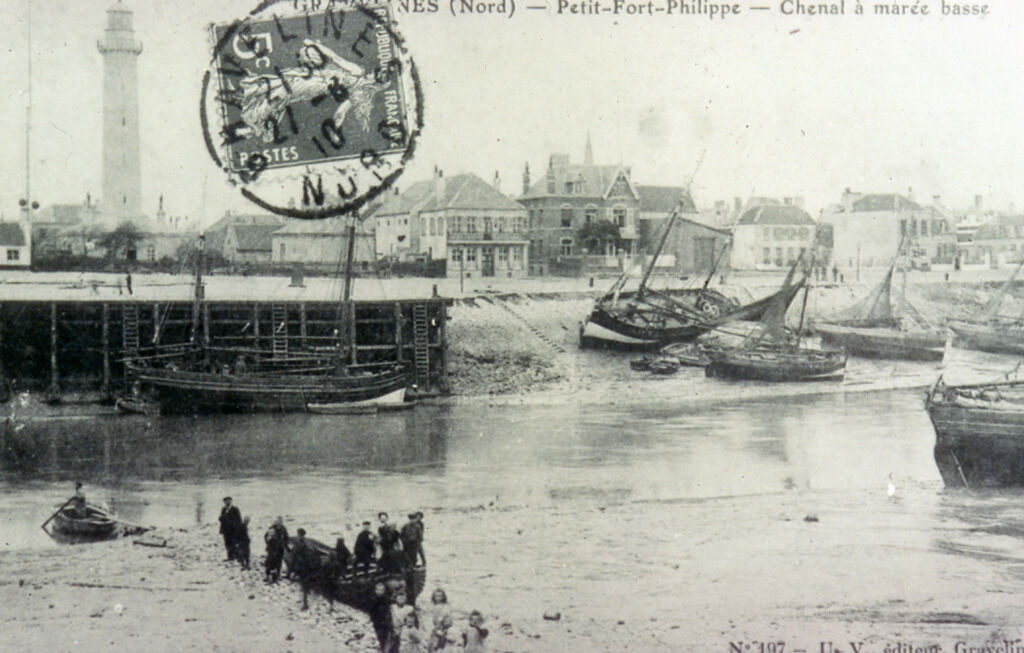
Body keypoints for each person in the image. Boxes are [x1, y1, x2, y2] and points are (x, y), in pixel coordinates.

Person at [292, 528, 319, 610]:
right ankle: (307, 601)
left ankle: (305, 604)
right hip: (308, 566)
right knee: (306, 584)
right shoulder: (308, 543)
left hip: (303, 566)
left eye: (298, 534)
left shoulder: (300, 543)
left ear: (300, 535)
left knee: (304, 585)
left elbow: (295, 555)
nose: (297, 536)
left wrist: (292, 569)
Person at [367, 582, 392, 651]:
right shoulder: (373, 600)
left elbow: (388, 610)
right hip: (377, 622)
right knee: (379, 637)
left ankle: (383, 649)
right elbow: (371, 611)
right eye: (378, 590)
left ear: (384, 591)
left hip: (385, 622)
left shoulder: (386, 600)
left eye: (382, 590)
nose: (380, 592)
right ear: (375, 590)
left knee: (385, 638)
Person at [264, 517, 289, 583]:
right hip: (272, 548)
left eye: (280, 522)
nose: (279, 524)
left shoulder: (283, 529)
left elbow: (286, 538)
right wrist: (268, 543)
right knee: (270, 562)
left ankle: (277, 575)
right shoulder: (272, 529)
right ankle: (267, 575)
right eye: (278, 523)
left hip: (280, 548)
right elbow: (266, 537)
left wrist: (286, 546)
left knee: (278, 562)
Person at [218, 497, 243, 562]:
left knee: (233, 543)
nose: (227, 502)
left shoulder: (235, 509)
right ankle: (230, 556)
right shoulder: (223, 509)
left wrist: (239, 529)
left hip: (233, 530)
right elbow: (221, 519)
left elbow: (238, 520)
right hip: (226, 530)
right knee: (227, 543)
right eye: (225, 501)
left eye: (228, 500)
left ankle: (235, 556)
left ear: (231, 501)